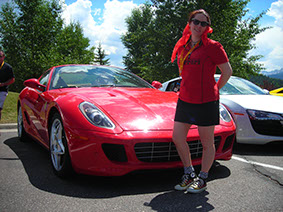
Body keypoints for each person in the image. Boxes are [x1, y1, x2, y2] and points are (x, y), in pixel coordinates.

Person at [171, 9, 232, 193]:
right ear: (189, 23)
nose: (199, 26)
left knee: (207, 143)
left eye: (203, 23)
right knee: (178, 137)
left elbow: (227, 72)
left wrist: (215, 89)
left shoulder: (214, 46)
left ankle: (203, 178)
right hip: (185, 100)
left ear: (207, 27)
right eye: (196, 22)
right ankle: (189, 174)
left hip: (206, 102)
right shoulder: (182, 47)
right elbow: (184, 74)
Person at [0, 50, 15, 121]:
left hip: (2, 90)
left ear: (3, 57)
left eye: (0, 57)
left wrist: (3, 84)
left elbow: (12, 79)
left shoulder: (7, 67)